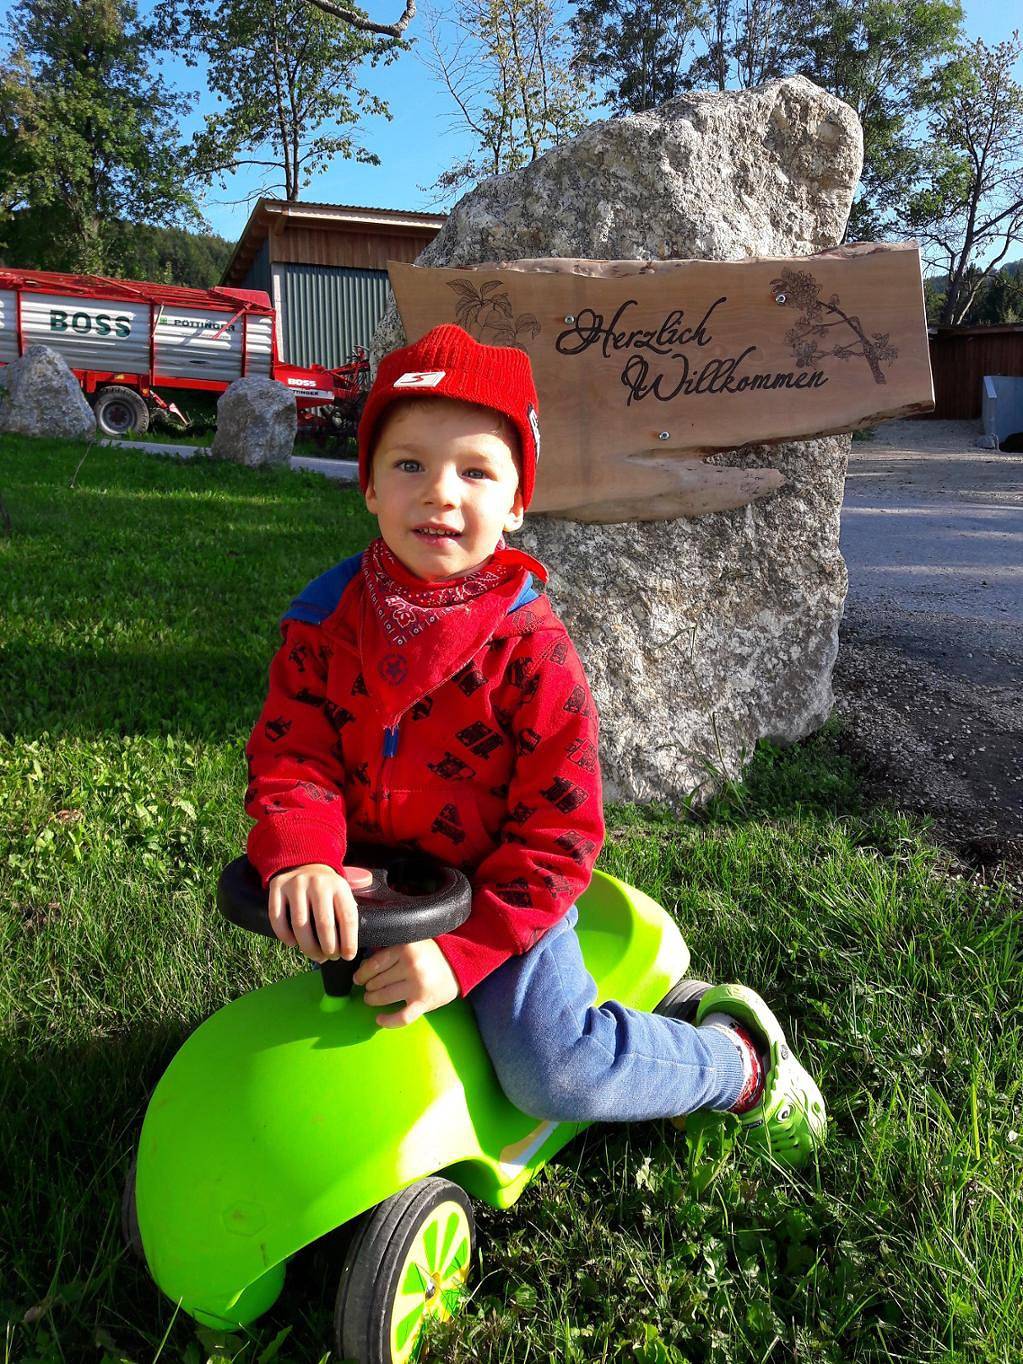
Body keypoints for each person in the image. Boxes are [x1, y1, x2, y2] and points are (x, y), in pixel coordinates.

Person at [243, 323, 826, 1169]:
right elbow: (293, 754)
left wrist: (463, 951)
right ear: (367, 484)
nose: (439, 494)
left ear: (518, 501)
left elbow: (559, 836)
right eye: (408, 465)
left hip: (500, 898)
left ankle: (731, 1061)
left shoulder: (531, 652)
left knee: (552, 1070)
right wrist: (301, 855)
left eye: (475, 472)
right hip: (381, 887)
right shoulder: (324, 621)